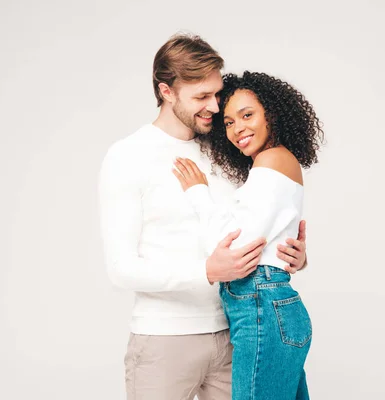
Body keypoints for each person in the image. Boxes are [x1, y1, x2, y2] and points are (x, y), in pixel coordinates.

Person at [98, 34, 308, 400]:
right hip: (165, 341)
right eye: (200, 97)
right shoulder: (128, 155)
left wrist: (289, 255)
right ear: (166, 91)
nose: (214, 106)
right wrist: (208, 272)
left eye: (216, 93)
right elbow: (121, 268)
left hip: (236, 333)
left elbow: (254, 220)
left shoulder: (228, 150)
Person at [172, 71, 323, 400]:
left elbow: (237, 245)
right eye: (228, 122)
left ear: (273, 114)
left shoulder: (272, 159)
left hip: (261, 306)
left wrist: (198, 192)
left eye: (247, 115)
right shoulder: (273, 163)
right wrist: (298, 257)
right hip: (272, 305)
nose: (237, 128)